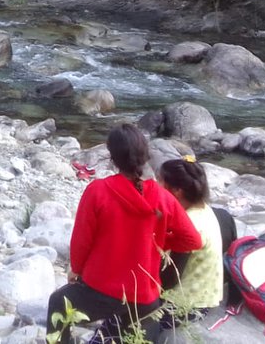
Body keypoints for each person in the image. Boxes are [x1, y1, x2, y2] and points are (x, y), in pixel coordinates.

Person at [46, 124, 201, 343]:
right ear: (145, 156)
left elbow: (82, 241)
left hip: (100, 291)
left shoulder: (97, 191)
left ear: (112, 156)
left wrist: (77, 270)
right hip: (144, 298)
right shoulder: (162, 196)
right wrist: (155, 242)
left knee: (58, 302)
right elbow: (192, 240)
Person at [157, 158, 226, 325]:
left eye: (159, 181)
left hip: (186, 305)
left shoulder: (190, 226)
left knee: (125, 315)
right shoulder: (201, 209)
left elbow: (171, 279)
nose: (156, 185)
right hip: (206, 295)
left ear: (177, 191)